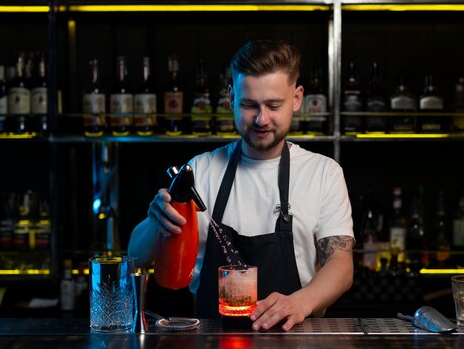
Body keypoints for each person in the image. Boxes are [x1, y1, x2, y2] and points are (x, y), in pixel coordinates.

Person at [128, 39, 355, 331]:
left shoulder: (323, 173)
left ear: (297, 99)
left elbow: (341, 265)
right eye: (249, 105)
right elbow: (136, 256)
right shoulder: (200, 171)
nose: (262, 119)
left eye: (274, 105)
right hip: (210, 345)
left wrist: (300, 302)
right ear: (231, 98)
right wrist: (155, 221)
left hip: (298, 345)